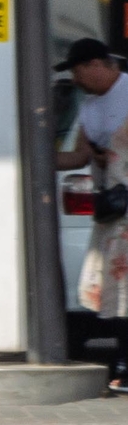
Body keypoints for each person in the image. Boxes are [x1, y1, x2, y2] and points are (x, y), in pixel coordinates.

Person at [55, 37, 128, 393]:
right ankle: (123, 361)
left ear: (97, 65)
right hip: (114, 210)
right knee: (114, 289)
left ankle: (124, 364)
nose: (77, 79)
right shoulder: (90, 106)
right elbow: (78, 156)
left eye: (79, 71)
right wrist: (33, 153)